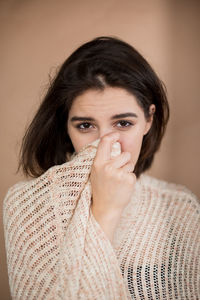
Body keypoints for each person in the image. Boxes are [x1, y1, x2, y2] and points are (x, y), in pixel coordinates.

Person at [3, 37, 199, 300]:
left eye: (123, 124)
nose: (105, 143)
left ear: (149, 120)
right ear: (65, 127)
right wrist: (105, 211)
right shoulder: (27, 206)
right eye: (85, 126)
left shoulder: (179, 208)